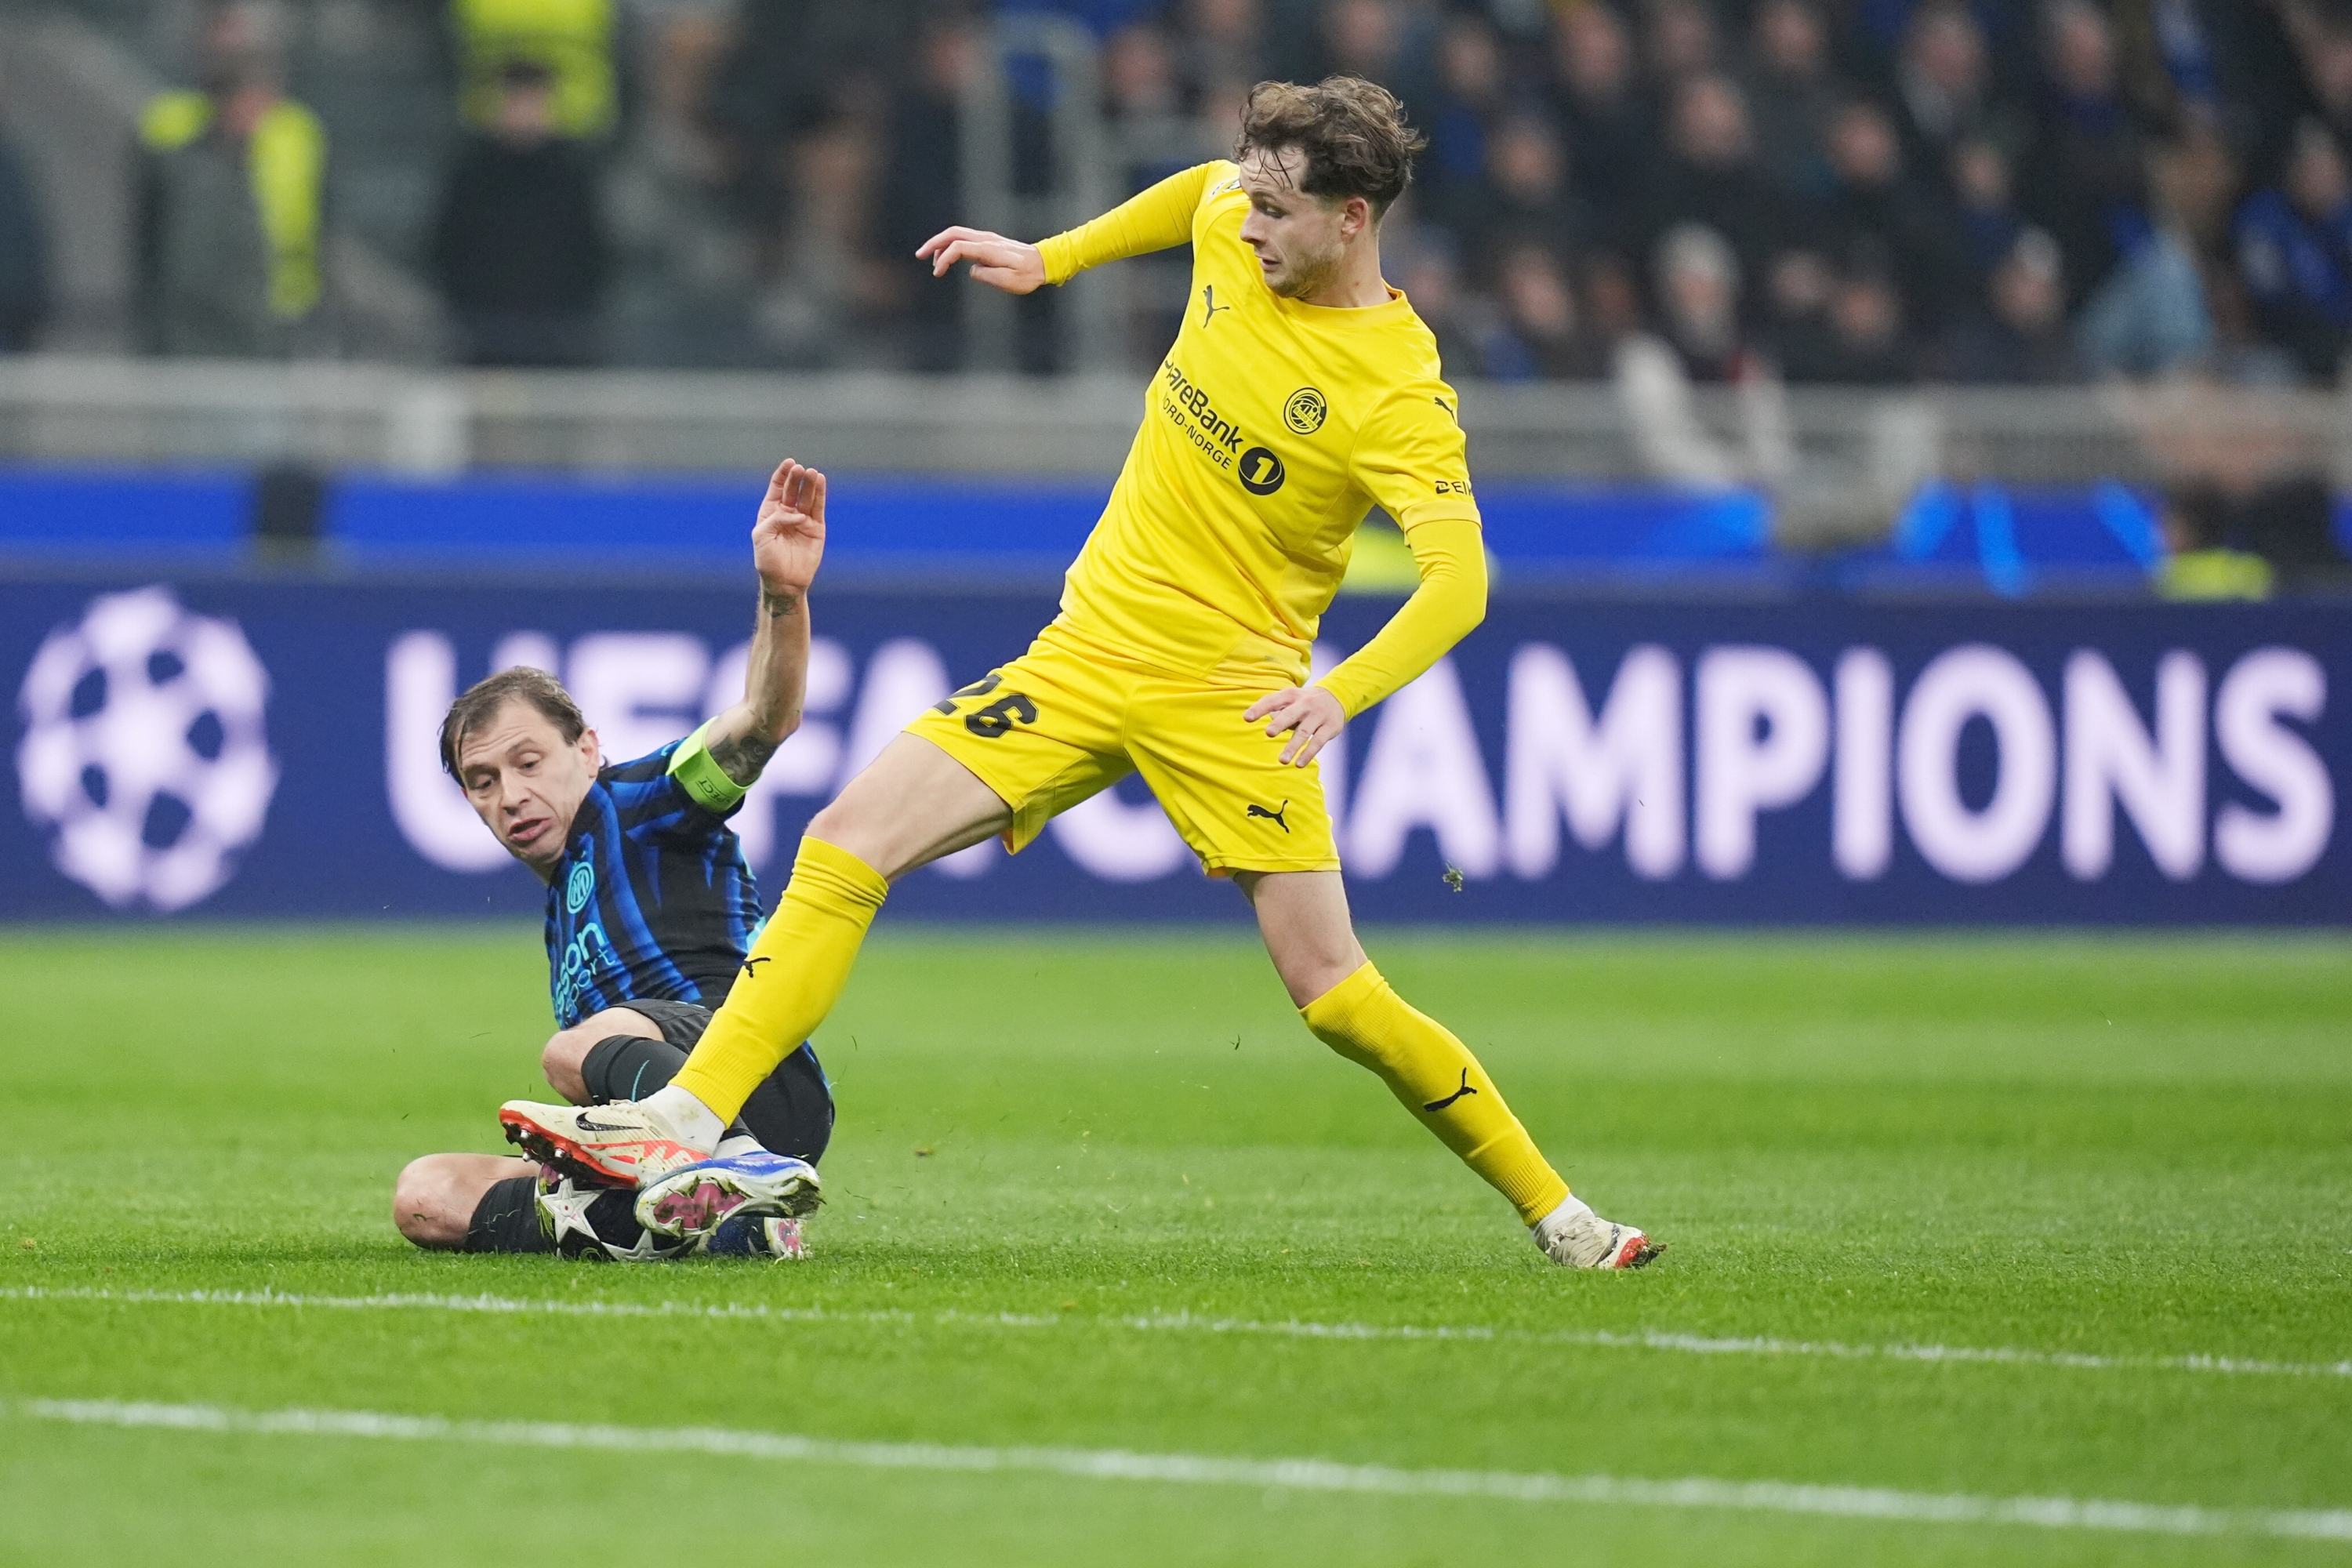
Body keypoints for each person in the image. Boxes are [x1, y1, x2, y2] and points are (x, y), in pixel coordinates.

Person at [498, 77, 1662, 1272]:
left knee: (1333, 993)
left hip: (1230, 691)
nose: (1244, 224)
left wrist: (1341, 692)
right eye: (1248, 198)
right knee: (847, 839)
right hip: (1086, 651)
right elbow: (1192, 196)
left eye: (1275, 211)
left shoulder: (1395, 391)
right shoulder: (1236, 219)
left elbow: (1459, 583)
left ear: (1352, 219)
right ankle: (687, 1122)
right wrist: (1053, 259)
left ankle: (1563, 1220)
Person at [391, 460, 835, 1261]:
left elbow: (764, 721)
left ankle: (738, 1167)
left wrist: (783, 596)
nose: (511, 793)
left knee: (570, 1051)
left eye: (529, 761)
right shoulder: (565, 909)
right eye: (484, 780)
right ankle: (699, 1225)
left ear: (588, 748)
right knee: (426, 1192)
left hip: (760, 1077)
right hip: (665, 1111)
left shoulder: (640, 801)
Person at [135, 1, 327, 357]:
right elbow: (153, 244)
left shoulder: (299, 133)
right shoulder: (171, 132)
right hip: (197, 334)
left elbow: (319, 235)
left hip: (277, 328)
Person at [430, 60, 612, 367]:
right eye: (517, 101)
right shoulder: (471, 173)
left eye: (533, 101)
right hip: (483, 333)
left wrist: (571, 319)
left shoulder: (573, 174)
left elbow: (594, 252)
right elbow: (445, 246)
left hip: (559, 336)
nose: (525, 113)